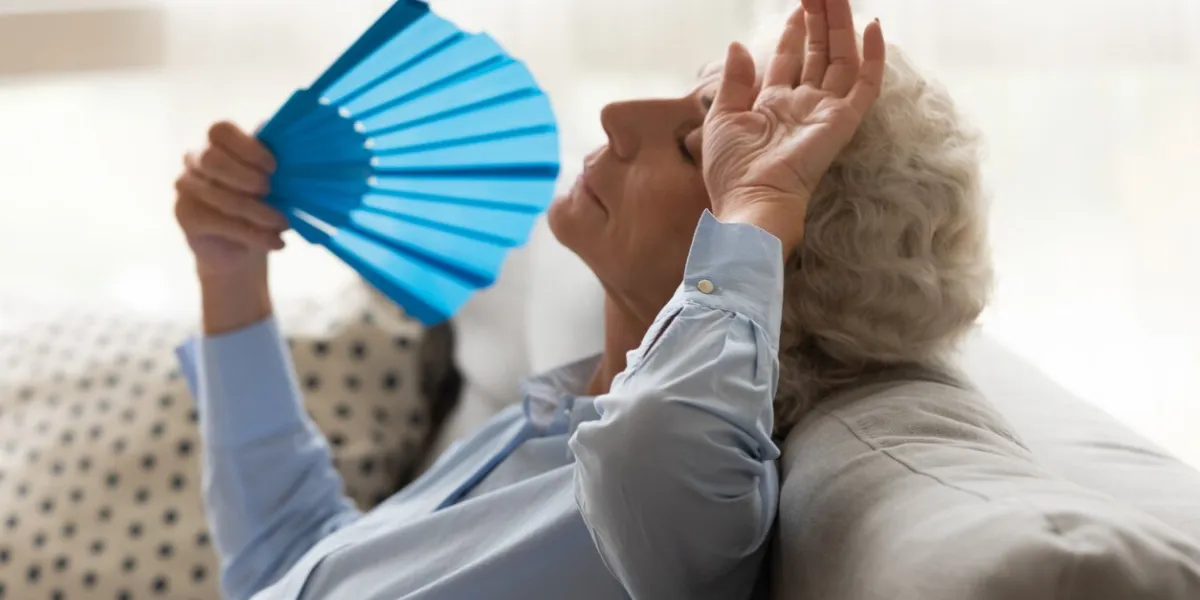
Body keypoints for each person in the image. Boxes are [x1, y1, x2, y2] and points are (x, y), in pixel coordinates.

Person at [172, 0, 990, 598]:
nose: (615, 116)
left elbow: (659, 443)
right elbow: (293, 563)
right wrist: (231, 271)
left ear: (773, 264)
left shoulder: (683, 509)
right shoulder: (555, 416)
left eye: (694, 144)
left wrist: (758, 211)